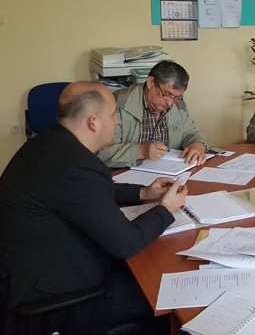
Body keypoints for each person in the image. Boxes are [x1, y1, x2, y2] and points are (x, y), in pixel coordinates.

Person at [0, 82, 187, 334]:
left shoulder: (48, 143)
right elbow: (126, 243)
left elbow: (90, 192)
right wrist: (165, 210)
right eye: (113, 115)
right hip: (55, 293)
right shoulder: (77, 165)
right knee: (160, 290)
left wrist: (143, 193)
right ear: (93, 122)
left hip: (28, 267)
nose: (117, 122)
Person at [97, 60, 209, 168]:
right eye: (166, 94)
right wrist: (140, 151)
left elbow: (192, 133)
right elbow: (101, 154)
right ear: (150, 82)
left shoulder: (178, 106)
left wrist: (198, 144)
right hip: (124, 176)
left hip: (168, 173)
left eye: (176, 97)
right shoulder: (116, 105)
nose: (170, 103)